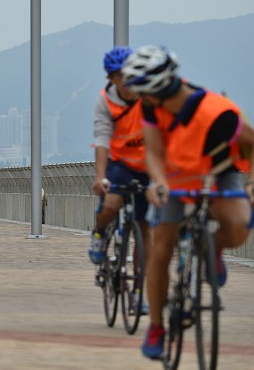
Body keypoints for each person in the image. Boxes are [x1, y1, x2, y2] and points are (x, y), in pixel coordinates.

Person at [121, 45, 254, 359]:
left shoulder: (217, 111)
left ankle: (210, 248)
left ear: (156, 90)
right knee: (161, 247)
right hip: (175, 177)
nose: (140, 98)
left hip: (218, 171)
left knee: (239, 225)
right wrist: (158, 181)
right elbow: (153, 151)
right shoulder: (151, 108)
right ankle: (157, 326)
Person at [89, 46, 151, 314]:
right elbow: (102, 138)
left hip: (147, 165)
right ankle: (100, 233)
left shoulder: (149, 95)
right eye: (118, 76)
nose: (125, 80)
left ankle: (138, 293)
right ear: (111, 78)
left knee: (144, 230)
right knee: (111, 203)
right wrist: (100, 177)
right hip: (120, 164)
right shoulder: (105, 100)